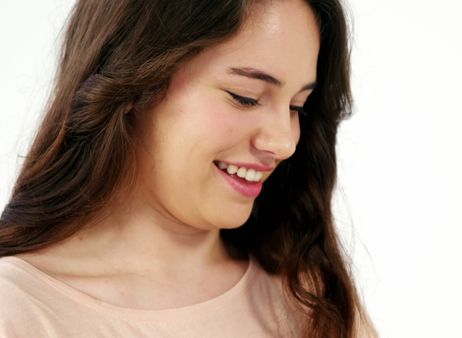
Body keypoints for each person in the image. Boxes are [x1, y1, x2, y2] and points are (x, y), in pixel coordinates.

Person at [0, 0, 377, 337]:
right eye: (245, 97)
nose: (284, 142)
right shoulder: (16, 310)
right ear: (134, 83)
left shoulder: (311, 302)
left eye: (297, 107)